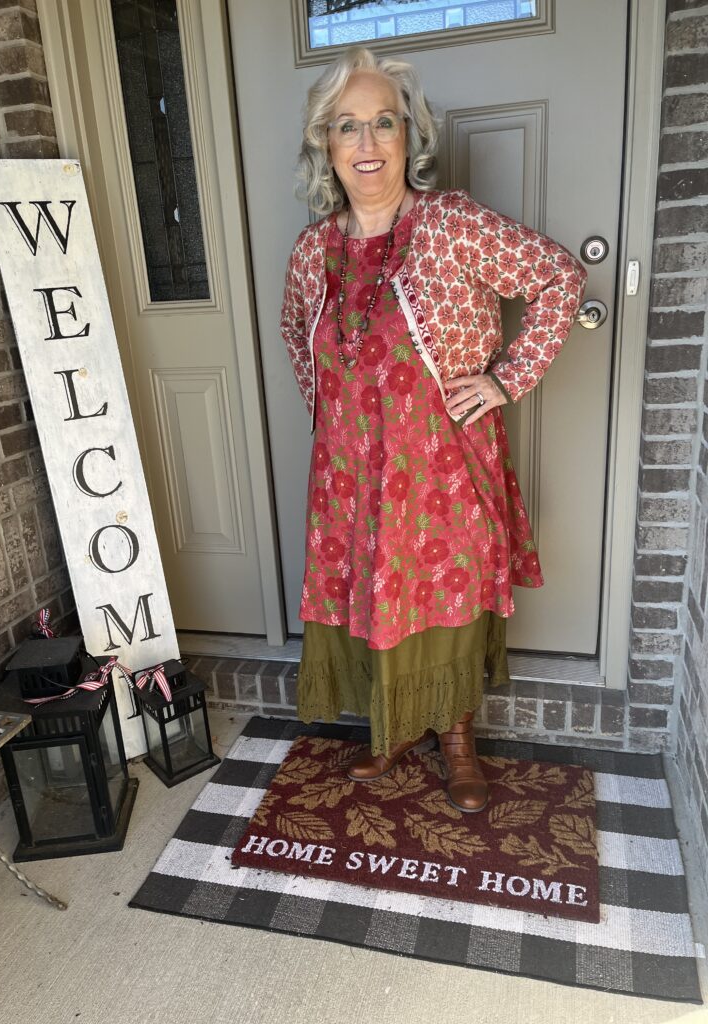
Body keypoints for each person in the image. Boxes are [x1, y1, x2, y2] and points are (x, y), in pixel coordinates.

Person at [280, 46, 587, 813]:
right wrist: (340, 427)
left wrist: (505, 380)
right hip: (353, 478)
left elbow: (559, 276)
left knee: (444, 602)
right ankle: (394, 727)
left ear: (407, 135)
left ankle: (455, 739)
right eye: (347, 126)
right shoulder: (313, 251)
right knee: (372, 599)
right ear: (326, 144)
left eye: (383, 122)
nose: (367, 143)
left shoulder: (450, 223)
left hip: (441, 467)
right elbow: (295, 335)